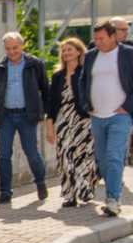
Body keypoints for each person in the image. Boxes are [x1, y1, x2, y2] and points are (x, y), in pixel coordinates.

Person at [0, 32, 51, 204]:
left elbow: (45, 89)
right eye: (8, 48)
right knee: (4, 154)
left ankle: (40, 182)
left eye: (15, 48)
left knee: (31, 152)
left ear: (22, 46)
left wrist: (45, 112)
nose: (12, 52)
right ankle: (5, 192)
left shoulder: (35, 65)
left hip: (27, 115)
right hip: (5, 116)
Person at [75, 20, 133, 216]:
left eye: (101, 38)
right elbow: (83, 81)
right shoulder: (91, 56)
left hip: (120, 116)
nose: (97, 42)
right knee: (102, 159)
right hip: (97, 116)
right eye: (95, 38)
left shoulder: (128, 54)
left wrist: (127, 107)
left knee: (114, 156)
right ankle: (114, 191)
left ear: (113, 36)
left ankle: (113, 199)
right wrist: (86, 105)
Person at [47, 36, 97, 208]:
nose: (66, 53)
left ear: (79, 51)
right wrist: (50, 126)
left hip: (83, 121)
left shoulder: (86, 72)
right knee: (65, 156)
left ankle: (85, 190)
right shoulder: (57, 76)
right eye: (64, 50)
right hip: (63, 121)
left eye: (70, 49)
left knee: (83, 156)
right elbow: (51, 103)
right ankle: (69, 194)